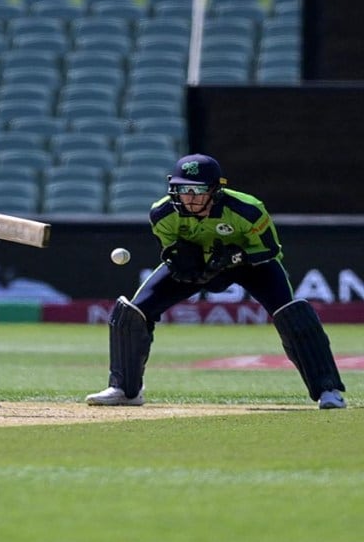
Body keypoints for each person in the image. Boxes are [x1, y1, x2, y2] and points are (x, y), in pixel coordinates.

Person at [85, 154, 347, 409]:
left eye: (196, 190)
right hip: (198, 264)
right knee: (133, 313)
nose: (189, 197)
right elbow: (171, 250)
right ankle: (126, 390)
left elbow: (269, 250)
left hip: (250, 265)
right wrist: (185, 264)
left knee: (291, 313)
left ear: (215, 190)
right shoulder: (162, 213)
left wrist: (236, 257)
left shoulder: (248, 210)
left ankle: (328, 389)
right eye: (182, 189)